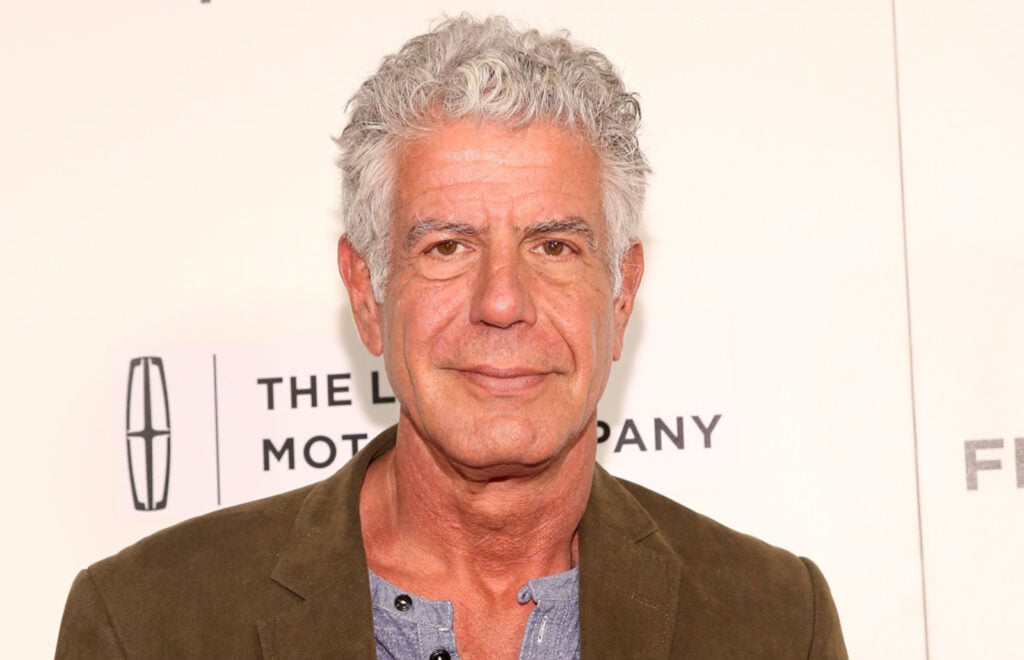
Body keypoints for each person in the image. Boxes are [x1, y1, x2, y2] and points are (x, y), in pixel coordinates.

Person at [56, 15, 847, 659]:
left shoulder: (776, 624)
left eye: (554, 246)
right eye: (447, 246)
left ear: (620, 293)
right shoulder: (147, 625)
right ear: (366, 293)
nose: (502, 301)